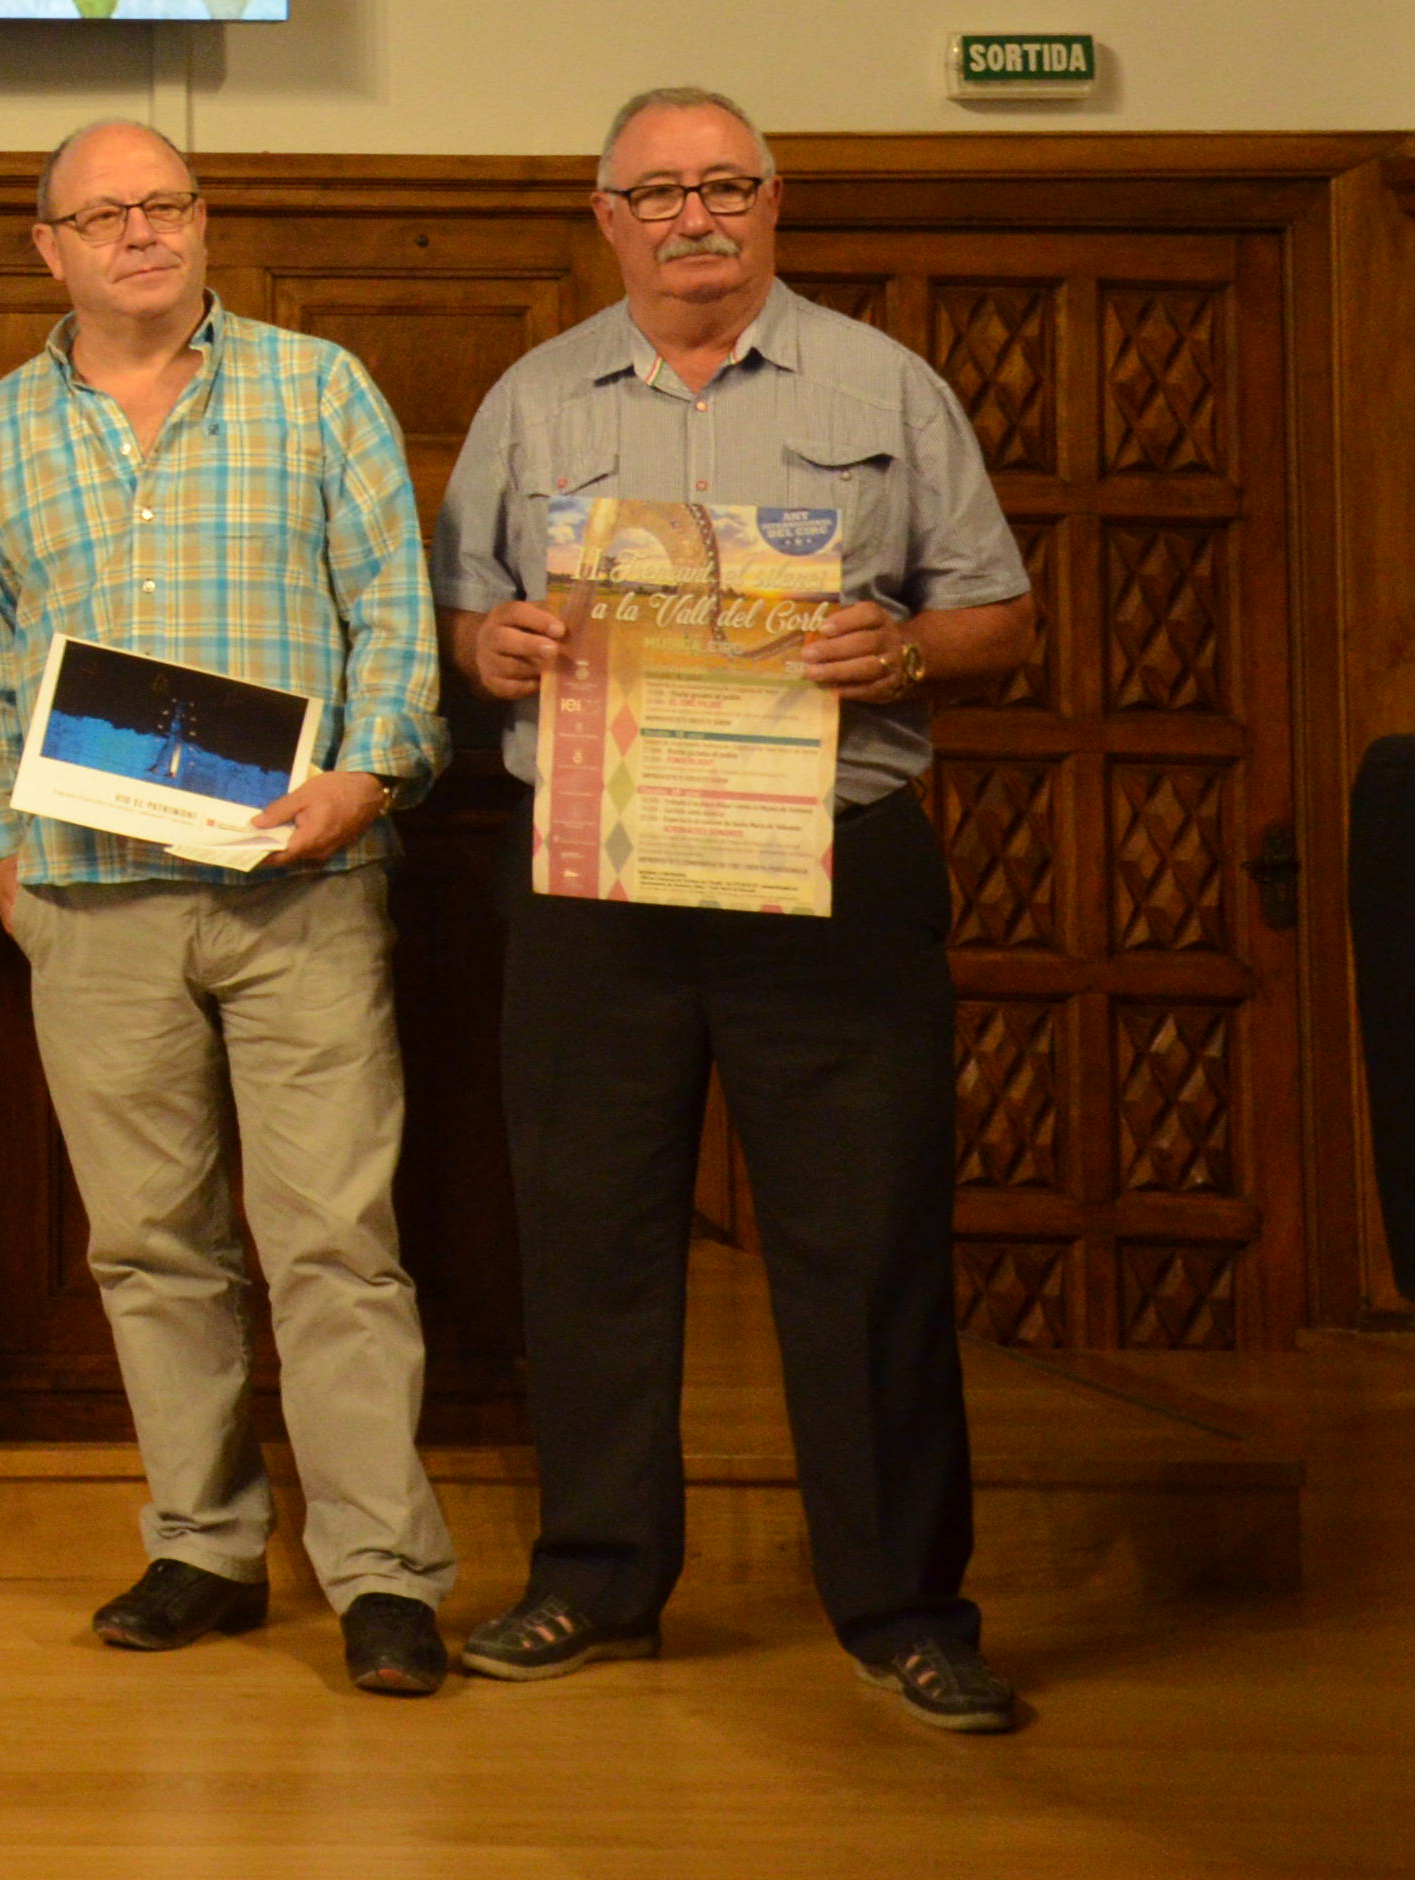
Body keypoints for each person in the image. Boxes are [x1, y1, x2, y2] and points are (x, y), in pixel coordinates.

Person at [438, 86, 1040, 1734]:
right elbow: (463, 612)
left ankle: (906, 1607)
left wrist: (902, 649)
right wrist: (488, 645)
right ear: (607, 219)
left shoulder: (880, 386)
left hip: (831, 865)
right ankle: (597, 1580)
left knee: (867, 1249)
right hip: (596, 874)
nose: (694, 217)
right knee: (590, 1240)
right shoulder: (532, 397)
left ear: (774, 204)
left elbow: (999, 615)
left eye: (726, 187)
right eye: (660, 194)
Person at [0, 118, 459, 1698]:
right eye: (104, 214)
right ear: (52, 246)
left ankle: (381, 1575)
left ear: (205, 224)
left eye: (165, 206)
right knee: (152, 1249)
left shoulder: (317, 388)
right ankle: (205, 1546)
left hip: (303, 889)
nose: (139, 233)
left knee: (337, 1246)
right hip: (88, 906)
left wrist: (370, 779)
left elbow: (396, 624)